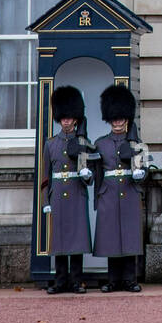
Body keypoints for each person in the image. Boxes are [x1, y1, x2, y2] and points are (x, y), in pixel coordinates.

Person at [93, 83, 147, 293]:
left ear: (127, 118)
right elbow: (97, 172)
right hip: (108, 193)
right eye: (114, 118)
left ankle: (130, 279)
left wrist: (140, 174)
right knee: (110, 238)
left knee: (130, 236)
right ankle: (113, 280)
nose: (117, 122)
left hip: (129, 191)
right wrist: (98, 194)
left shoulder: (136, 142)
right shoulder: (101, 143)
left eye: (121, 118)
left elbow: (143, 166)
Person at [40, 85, 94, 294]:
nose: (66, 121)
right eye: (63, 118)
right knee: (60, 240)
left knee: (77, 239)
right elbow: (46, 176)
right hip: (58, 195)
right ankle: (60, 280)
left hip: (76, 192)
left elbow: (91, 172)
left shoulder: (83, 142)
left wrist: (87, 176)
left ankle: (76, 280)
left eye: (70, 118)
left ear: (75, 119)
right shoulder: (51, 144)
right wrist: (45, 201)